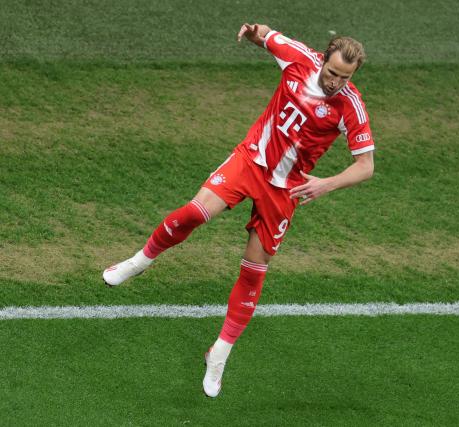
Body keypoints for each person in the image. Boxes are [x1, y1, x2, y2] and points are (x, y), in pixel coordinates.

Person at [103, 23, 375, 398]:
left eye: (344, 77)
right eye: (332, 72)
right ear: (323, 57)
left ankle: (219, 354)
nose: (335, 82)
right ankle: (138, 261)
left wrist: (325, 183)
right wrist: (250, 32)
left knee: (253, 273)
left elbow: (366, 165)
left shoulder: (351, 105)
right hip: (250, 161)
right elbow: (266, 35)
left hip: (286, 189)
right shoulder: (297, 57)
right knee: (195, 213)